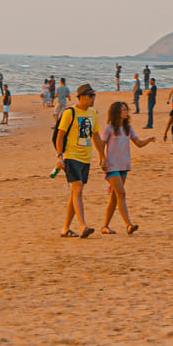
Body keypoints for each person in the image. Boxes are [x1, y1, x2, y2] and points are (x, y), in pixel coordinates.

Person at [54, 84, 105, 238]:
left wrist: (103, 156)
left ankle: (65, 228)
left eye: (94, 95)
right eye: (90, 96)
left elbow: (96, 136)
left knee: (75, 192)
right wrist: (59, 156)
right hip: (71, 156)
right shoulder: (70, 112)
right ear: (81, 97)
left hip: (86, 157)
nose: (93, 98)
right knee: (78, 187)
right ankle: (83, 226)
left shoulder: (92, 113)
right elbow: (60, 135)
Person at [99, 100, 155, 234]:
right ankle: (128, 224)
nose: (126, 112)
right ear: (117, 112)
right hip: (112, 166)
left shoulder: (128, 128)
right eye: (123, 110)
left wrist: (148, 139)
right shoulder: (109, 128)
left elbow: (139, 143)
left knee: (114, 196)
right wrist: (102, 159)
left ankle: (105, 226)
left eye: (126, 109)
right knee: (122, 193)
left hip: (124, 165)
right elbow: (101, 145)